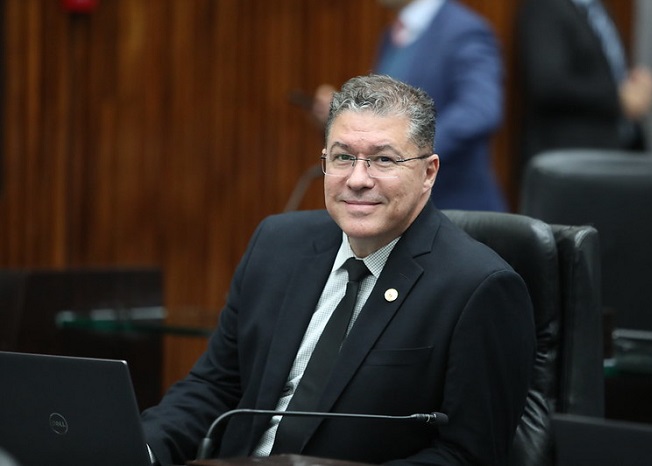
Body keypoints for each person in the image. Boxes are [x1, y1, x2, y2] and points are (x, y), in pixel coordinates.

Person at [142, 74, 535, 465]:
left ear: (428, 173)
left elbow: (467, 455)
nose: (358, 180)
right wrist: (141, 449)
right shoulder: (276, 244)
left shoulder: (478, 287)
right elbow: (214, 386)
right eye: (343, 157)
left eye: (383, 160)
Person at [313, 0, 507, 212]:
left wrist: (407, 152)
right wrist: (341, 115)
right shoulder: (393, 33)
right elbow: (387, 110)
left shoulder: (464, 30)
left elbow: (479, 111)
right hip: (399, 208)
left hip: (454, 208)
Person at [517, 0, 652, 166]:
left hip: (615, 150)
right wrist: (617, 98)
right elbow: (548, 83)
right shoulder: (545, 6)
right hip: (570, 159)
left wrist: (633, 83)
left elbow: (602, 70)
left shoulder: (596, 8)